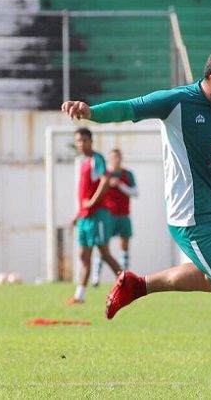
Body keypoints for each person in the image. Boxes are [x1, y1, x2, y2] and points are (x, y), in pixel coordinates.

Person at [61, 44, 211, 392]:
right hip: (192, 218)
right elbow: (130, 108)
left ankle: (137, 285)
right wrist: (91, 112)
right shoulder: (177, 101)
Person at [68, 127, 123, 304]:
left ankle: (128, 284)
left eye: (84, 140)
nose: (81, 144)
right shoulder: (83, 162)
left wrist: (92, 202)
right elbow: (84, 192)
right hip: (85, 217)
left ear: (91, 141)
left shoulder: (96, 159)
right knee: (83, 256)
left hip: (97, 215)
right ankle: (79, 295)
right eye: (78, 141)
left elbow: (105, 179)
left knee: (104, 253)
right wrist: (78, 214)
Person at [91, 148, 138, 286]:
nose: (115, 159)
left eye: (117, 157)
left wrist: (120, 185)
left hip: (123, 215)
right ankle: (95, 277)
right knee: (103, 247)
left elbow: (135, 192)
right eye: (112, 157)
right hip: (108, 215)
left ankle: (123, 277)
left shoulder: (127, 174)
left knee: (124, 247)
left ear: (121, 158)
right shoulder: (105, 174)